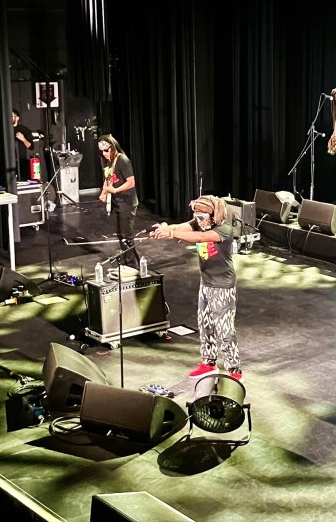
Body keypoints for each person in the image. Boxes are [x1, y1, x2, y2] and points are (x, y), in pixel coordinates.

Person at [151, 195, 243, 383]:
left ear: (213, 215)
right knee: (205, 323)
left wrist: (171, 234)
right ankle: (209, 363)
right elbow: (183, 227)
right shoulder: (200, 223)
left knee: (224, 328)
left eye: (201, 215)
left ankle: (234, 369)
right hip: (206, 282)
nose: (197, 218)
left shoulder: (224, 229)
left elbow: (200, 238)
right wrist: (166, 229)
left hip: (222, 286)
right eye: (196, 214)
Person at [97, 134, 140, 268]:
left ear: (113, 147)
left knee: (127, 235)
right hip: (117, 202)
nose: (104, 154)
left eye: (106, 150)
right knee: (121, 234)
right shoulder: (107, 160)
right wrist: (104, 192)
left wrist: (115, 190)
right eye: (101, 151)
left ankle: (133, 264)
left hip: (127, 202)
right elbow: (108, 178)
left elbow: (131, 182)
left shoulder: (123, 160)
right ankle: (127, 260)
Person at [12, 109, 35, 181]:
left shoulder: (24, 129)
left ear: (17, 118)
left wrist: (23, 139)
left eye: (12, 116)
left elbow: (31, 147)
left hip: (21, 161)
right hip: (8, 160)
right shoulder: (5, 129)